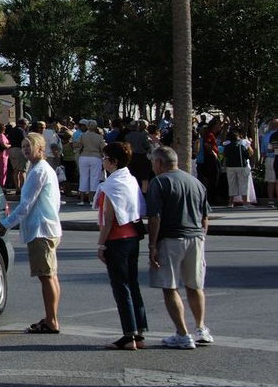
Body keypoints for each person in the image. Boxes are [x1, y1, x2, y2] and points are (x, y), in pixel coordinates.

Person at [147, 145, 213, 349]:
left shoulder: (159, 182)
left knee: (170, 286)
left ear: (159, 163)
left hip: (171, 239)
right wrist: (202, 238)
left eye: (153, 162)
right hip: (195, 238)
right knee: (195, 286)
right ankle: (201, 328)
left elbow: (155, 216)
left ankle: (183, 334)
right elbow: (205, 217)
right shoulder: (195, 182)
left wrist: (152, 245)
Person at [0, 132, 62, 334]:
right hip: (46, 227)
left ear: (41, 149)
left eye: (29, 146)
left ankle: (52, 320)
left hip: (41, 230)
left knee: (47, 276)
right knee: (50, 275)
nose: (26, 150)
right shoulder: (36, 169)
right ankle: (51, 317)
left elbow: (26, 205)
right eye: (24, 146)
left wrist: (5, 223)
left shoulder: (39, 171)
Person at [95, 141, 147, 350]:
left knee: (121, 287)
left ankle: (129, 335)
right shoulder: (130, 179)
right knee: (132, 284)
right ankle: (140, 332)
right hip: (133, 236)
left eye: (105, 159)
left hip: (117, 239)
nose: (103, 162)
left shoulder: (111, 185)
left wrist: (101, 245)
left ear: (113, 161)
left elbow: (108, 218)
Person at [221, 130, 256, 207]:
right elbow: (248, 154)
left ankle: (230, 203)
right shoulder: (240, 146)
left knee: (232, 185)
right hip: (241, 166)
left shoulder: (227, 146)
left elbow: (224, 155)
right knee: (243, 184)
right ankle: (245, 202)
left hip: (230, 167)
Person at [78, 120, 107, 206]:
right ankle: (91, 200)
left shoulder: (83, 136)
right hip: (95, 157)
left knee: (83, 177)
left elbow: (79, 145)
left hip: (83, 157)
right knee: (94, 178)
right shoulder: (99, 137)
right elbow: (103, 148)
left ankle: (82, 200)